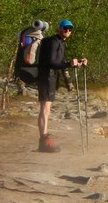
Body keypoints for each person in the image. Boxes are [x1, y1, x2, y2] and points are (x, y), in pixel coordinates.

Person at [36, 19, 87, 153]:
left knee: (46, 109)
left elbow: (60, 62)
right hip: (46, 78)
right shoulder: (54, 42)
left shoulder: (59, 42)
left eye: (70, 29)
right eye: (65, 28)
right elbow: (52, 63)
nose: (68, 31)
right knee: (45, 109)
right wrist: (69, 64)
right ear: (59, 28)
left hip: (50, 78)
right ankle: (44, 142)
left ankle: (44, 140)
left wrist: (77, 63)